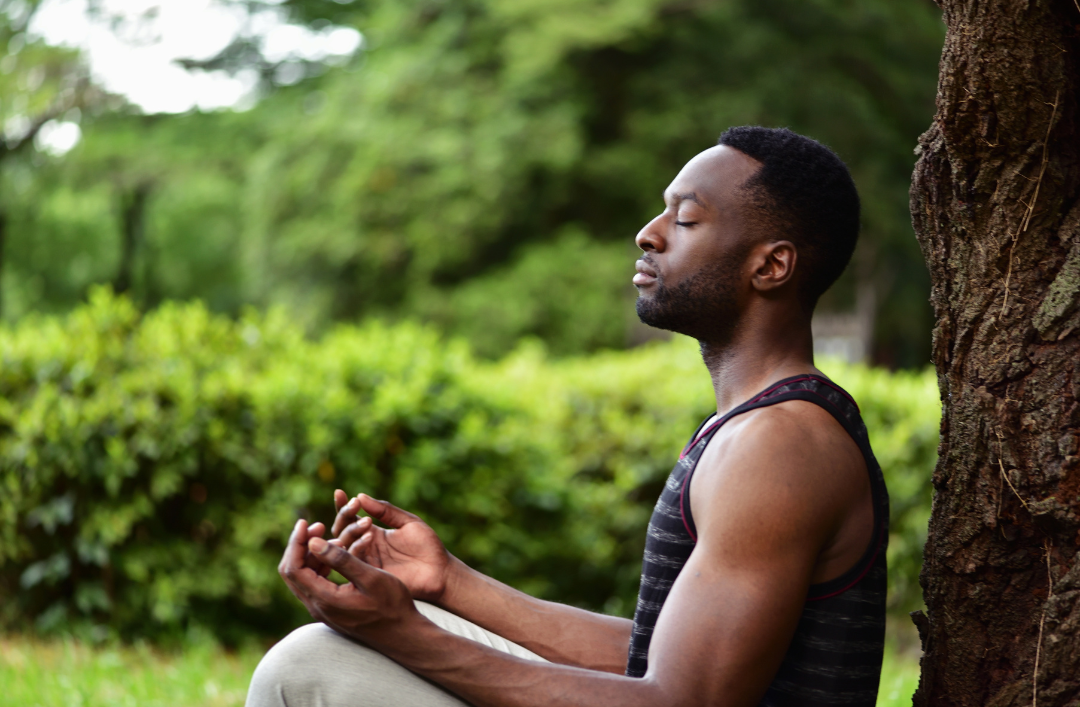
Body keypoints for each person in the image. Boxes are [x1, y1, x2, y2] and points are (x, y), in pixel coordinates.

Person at [246, 126, 889, 707]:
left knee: (309, 667)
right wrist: (447, 584)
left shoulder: (779, 445)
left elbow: (681, 701)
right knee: (364, 643)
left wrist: (404, 634)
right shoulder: (761, 425)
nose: (649, 233)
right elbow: (656, 657)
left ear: (770, 266)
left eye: (686, 220)